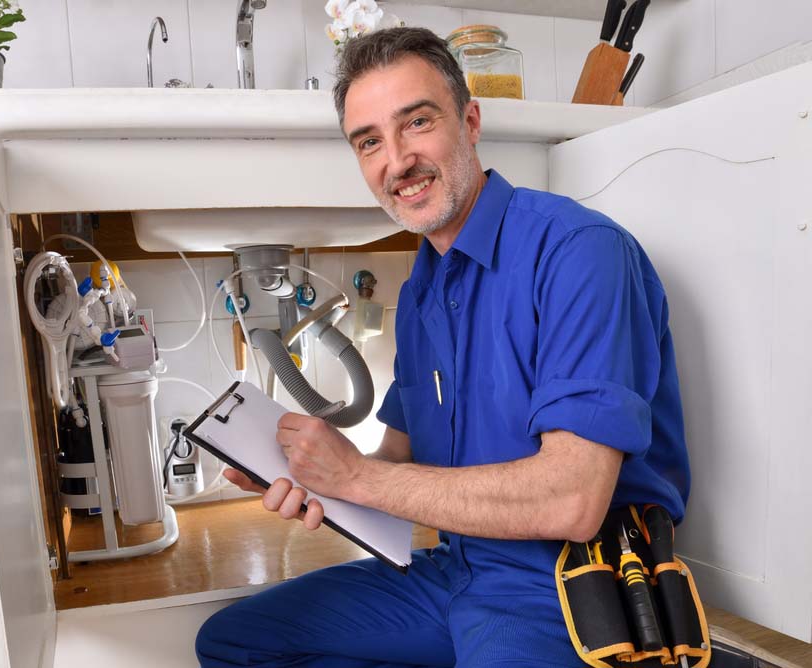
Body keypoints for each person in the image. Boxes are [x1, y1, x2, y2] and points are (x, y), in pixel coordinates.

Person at [196, 26, 690, 667]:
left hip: (571, 591)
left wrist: (359, 478)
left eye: (417, 122)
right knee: (235, 645)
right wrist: (306, 476)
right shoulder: (426, 285)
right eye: (369, 141)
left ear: (470, 120)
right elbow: (397, 463)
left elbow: (573, 499)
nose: (396, 160)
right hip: (457, 570)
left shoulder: (578, 253)